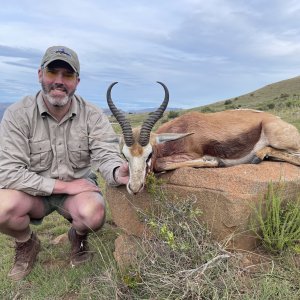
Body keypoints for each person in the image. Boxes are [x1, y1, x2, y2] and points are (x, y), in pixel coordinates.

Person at [0, 45, 129, 280]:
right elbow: (8, 173)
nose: (59, 81)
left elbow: (106, 154)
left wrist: (118, 171)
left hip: (76, 192)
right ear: (40, 74)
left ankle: (78, 237)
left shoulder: (92, 114)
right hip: (32, 192)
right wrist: (65, 186)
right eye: (52, 72)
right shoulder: (17, 114)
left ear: (77, 81)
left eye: (67, 75)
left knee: (94, 214)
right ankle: (26, 242)